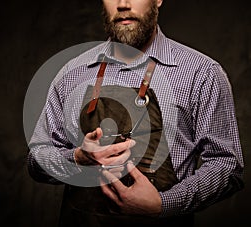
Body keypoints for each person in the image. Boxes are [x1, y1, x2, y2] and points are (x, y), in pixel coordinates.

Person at [27, 0, 244, 226]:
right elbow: (37, 159)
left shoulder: (201, 73)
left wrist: (164, 203)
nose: (123, 4)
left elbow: (226, 166)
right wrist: (77, 158)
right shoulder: (73, 72)